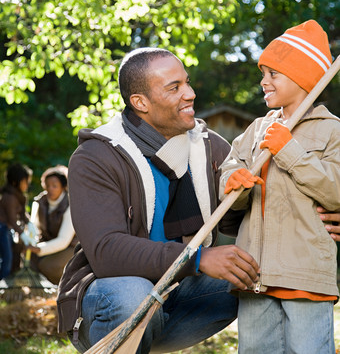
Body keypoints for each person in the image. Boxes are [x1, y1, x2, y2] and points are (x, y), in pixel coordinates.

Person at [57, 47, 260, 354]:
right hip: (111, 298)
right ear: (140, 103)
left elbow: (237, 216)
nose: (190, 94)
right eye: (174, 87)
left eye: (187, 82)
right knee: (132, 292)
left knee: (264, 272)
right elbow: (107, 252)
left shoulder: (208, 147)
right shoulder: (95, 157)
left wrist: (322, 219)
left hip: (177, 293)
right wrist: (199, 259)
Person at [219, 20, 340, 354]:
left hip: (305, 275)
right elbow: (231, 168)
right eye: (263, 73)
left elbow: (336, 192)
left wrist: (289, 150)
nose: (263, 81)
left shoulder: (332, 132)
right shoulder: (257, 129)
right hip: (254, 274)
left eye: (273, 74)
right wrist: (233, 182)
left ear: (303, 78)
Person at [28, 165, 77, 285]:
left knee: (47, 266)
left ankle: (65, 290)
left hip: (71, 246)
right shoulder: (40, 201)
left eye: (54, 186)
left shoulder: (70, 204)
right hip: (48, 243)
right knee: (31, 263)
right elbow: (33, 226)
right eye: (47, 185)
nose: (50, 189)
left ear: (63, 187)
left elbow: (64, 240)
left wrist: (39, 249)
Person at [0, 162, 32, 278]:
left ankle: (9, 281)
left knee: (12, 255)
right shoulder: (9, 197)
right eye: (25, 182)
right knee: (6, 259)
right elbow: (12, 221)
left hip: (7, 230)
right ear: (15, 182)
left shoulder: (19, 196)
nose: (27, 185)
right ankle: (2, 284)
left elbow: (23, 215)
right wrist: (23, 234)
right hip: (2, 229)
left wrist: (30, 223)